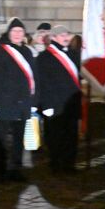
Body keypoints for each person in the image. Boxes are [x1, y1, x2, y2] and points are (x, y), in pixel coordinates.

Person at [0, 18, 36, 182]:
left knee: (19, 140)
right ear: (9, 33)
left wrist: (33, 101)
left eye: (21, 31)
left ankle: (15, 170)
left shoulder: (27, 52)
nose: (18, 34)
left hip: (22, 103)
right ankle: (2, 171)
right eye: (15, 31)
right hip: (3, 103)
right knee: (2, 141)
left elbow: (34, 78)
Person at [35, 25, 81, 173]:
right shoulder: (44, 57)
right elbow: (42, 83)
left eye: (67, 34)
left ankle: (69, 164)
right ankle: (56, 164)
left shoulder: (74, 54)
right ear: (53, 38)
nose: (66, 37)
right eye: (61, 35)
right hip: (54, 104)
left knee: (71, 136)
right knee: (55, 136)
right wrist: (46, 105)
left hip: (71, 103)